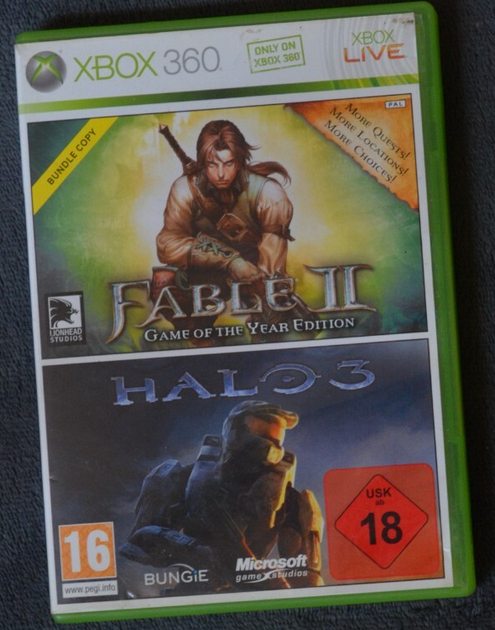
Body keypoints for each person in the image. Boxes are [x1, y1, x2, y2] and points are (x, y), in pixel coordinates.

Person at [120, 401, 324, 592]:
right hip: (194, 593)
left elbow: (308, 578)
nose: (271, 447)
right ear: (235, 431)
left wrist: (266, 582)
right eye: (262, 436)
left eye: (276, 441)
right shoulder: (181, 478)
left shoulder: (288, 499)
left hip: (251, 595)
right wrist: (194, 551)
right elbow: (140, 542)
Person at [152, 120, 295, 335]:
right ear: (202, 162)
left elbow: (272, 266)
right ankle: (201, 339)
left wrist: (263, 291)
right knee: (163, 281)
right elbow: (168, 245)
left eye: (228, 164)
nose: (220, 174)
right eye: (212, 164)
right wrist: (230, 261)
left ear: (239, 161)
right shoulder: (185, 190)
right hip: (206, 272)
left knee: (272, 318)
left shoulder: (269, 194)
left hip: (254, 274)